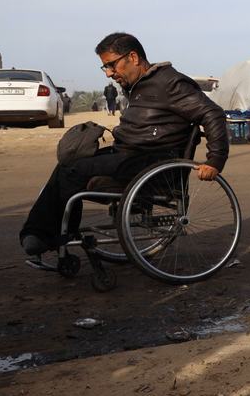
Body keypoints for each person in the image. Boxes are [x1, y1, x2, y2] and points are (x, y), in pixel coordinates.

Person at [19, 32, 229, 257]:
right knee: (69, 163)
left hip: (151, 162)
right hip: (130, 156)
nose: (109, 73)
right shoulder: (139, 84)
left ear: (133, 57)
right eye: (105, 68)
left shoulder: (170, 82)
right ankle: (47, 234)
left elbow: (212, 113)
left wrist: (215, 160)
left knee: (71, 171)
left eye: (111, 65)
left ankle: (47, 235)